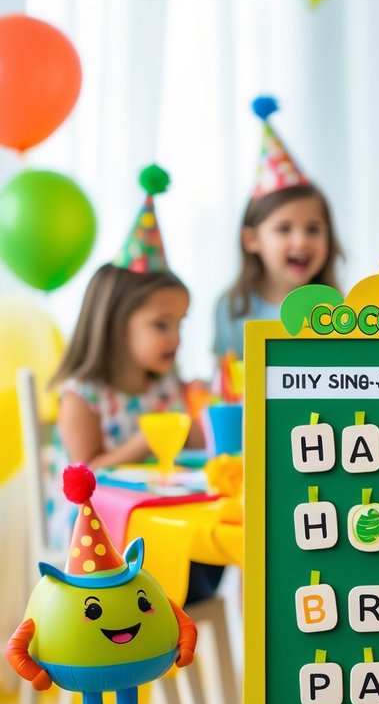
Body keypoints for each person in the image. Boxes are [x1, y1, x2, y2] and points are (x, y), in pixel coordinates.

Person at [52, 166, 220, 604]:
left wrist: (210, 413)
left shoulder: (166, 386)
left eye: (180, 323)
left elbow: (199, 441)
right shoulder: (83, 396)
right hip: (96, 545)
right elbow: (84, 476)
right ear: (113, 324)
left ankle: (178, 611)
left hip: (156, 523)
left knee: (203, 560)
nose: (176, 338)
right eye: (160, 325)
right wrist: (146, 440)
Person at [213, 96, 342, 360]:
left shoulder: (337, 310)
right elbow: (224, 381)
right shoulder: (232, 309)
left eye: (314, 229)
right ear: (251, 240)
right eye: (284, 229)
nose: (301, 241)